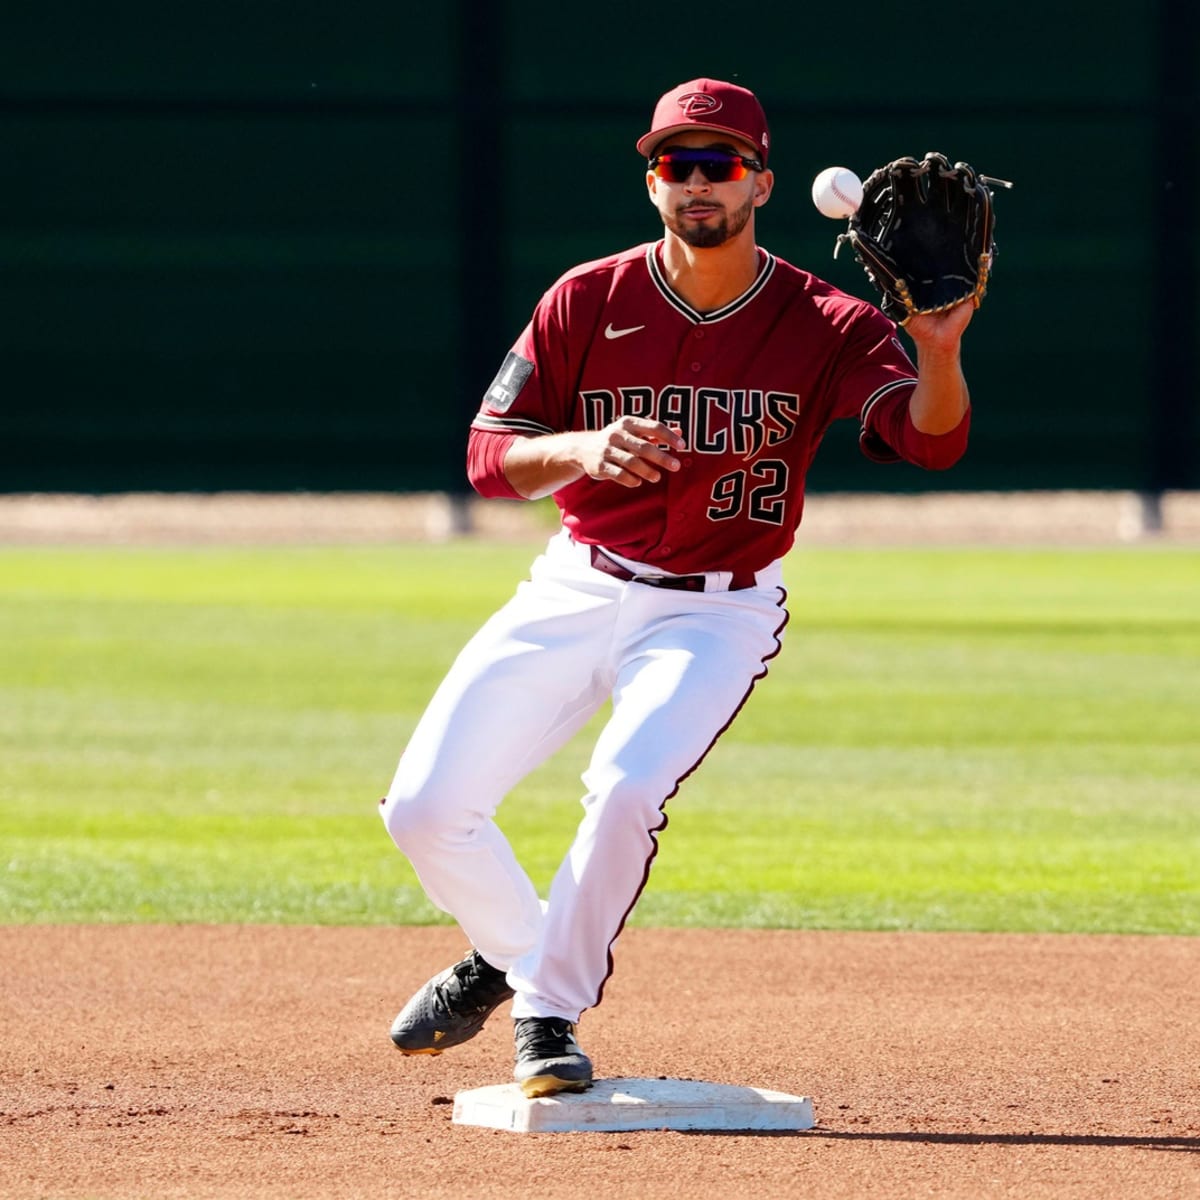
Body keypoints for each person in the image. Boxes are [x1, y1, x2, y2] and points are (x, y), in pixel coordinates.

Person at [380, 77, 974, 1098]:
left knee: (624, 789)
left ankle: (546, 1013)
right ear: (652, 179)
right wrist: (583, 447)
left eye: (721, 164)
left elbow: (930, 438)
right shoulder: (588, 297)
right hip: (576, 582)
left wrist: (939, 349)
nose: (697, 182)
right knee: (424, 810)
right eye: (675, 164)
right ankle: (514, 951)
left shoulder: (822, 318)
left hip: (715, 608)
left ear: (762, 183)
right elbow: (488, 455)